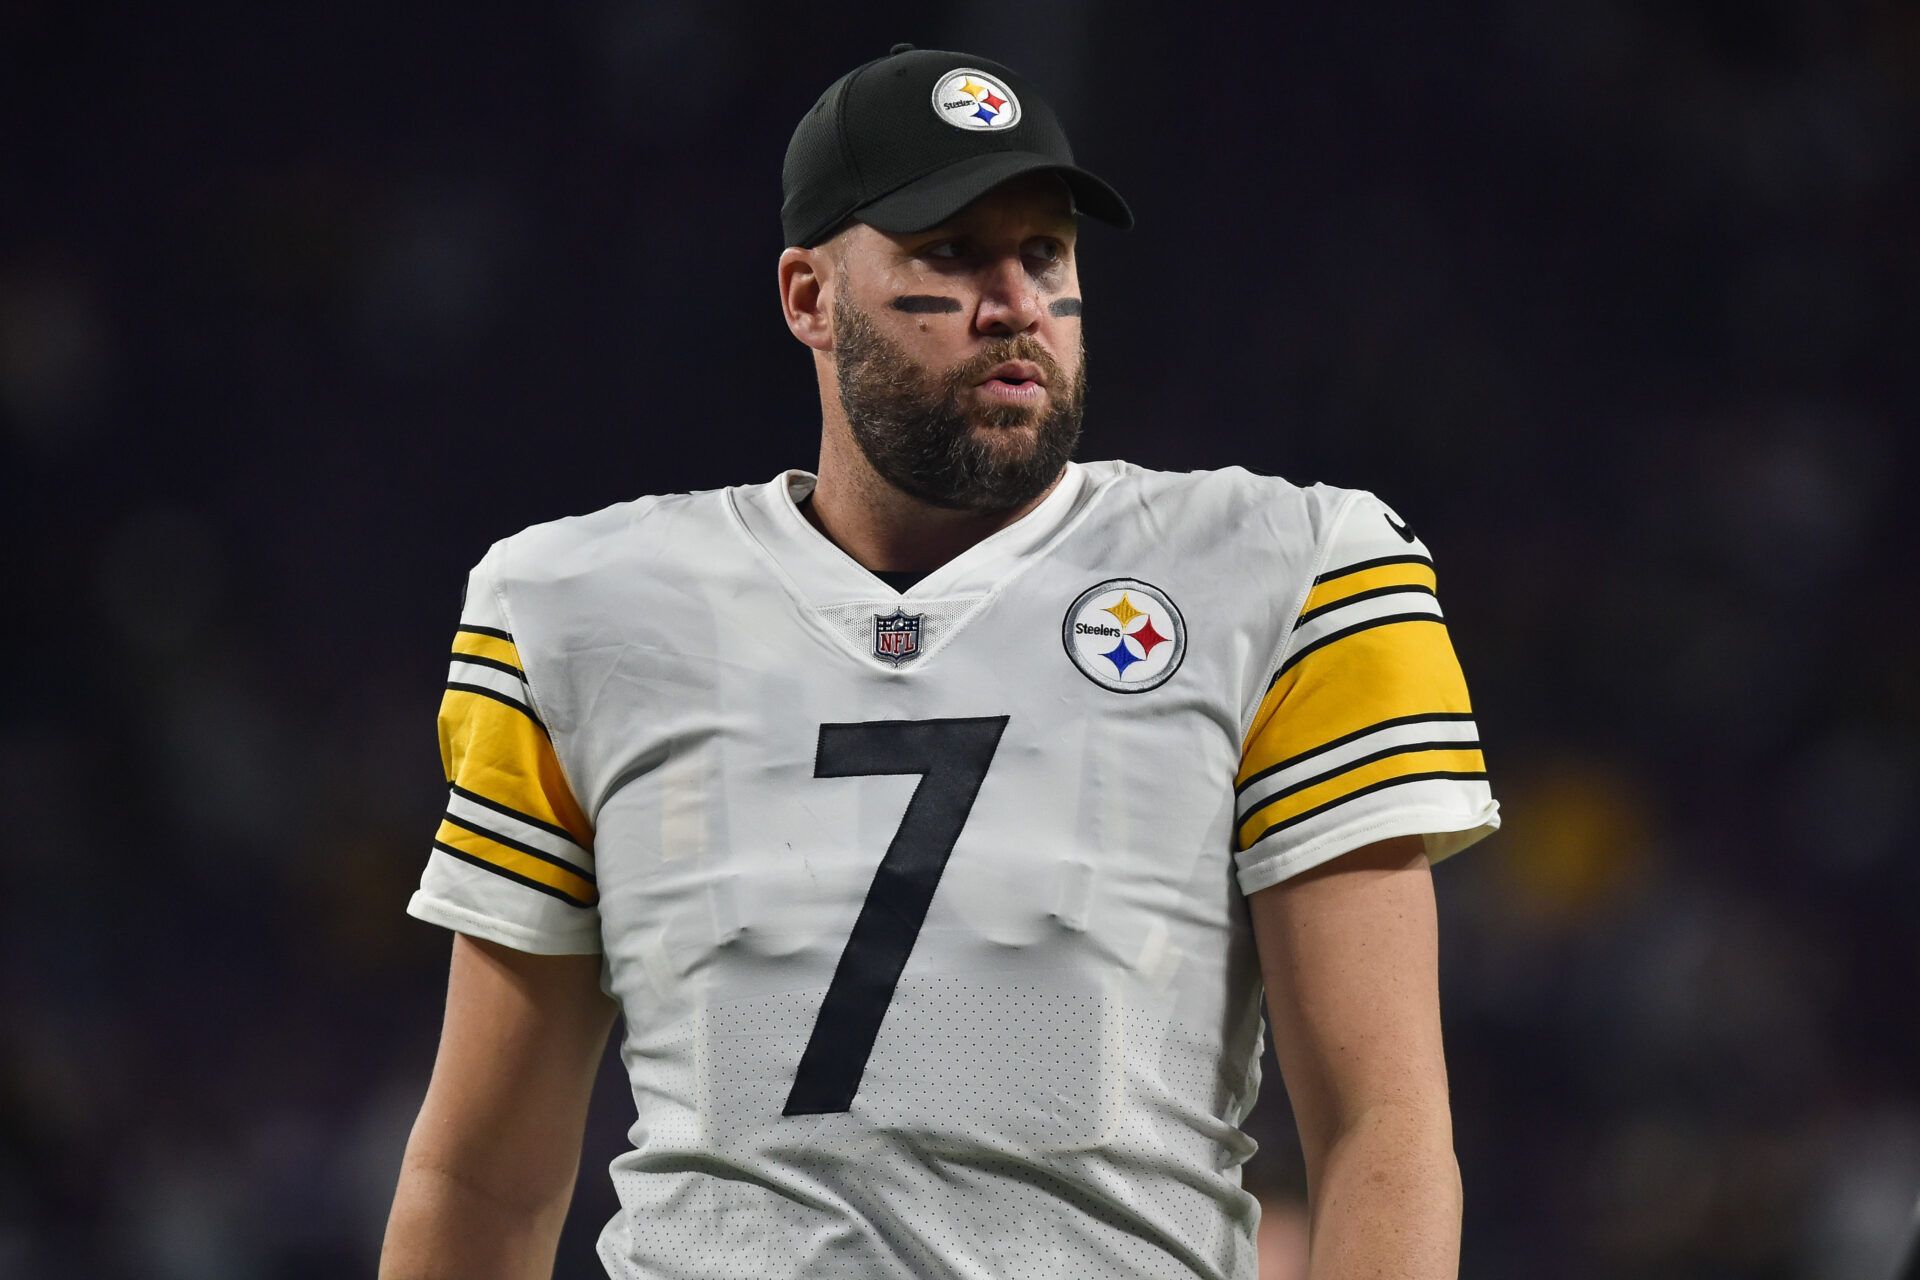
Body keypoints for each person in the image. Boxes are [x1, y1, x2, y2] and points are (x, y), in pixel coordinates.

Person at [379, 43, 1498, 1280]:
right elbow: (483, 1175)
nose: (1016, 300)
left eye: (1047, 253)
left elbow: (1381, 1132)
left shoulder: (1291, 571)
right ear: (810, 296)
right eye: (951, 253)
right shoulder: (579, 609)